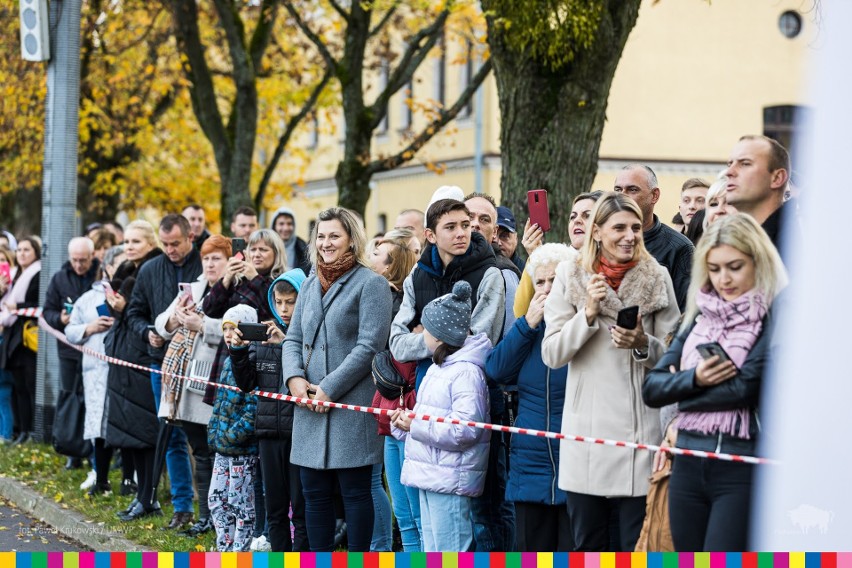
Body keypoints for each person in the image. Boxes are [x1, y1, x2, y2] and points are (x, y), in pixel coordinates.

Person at [540, 192, 681, 551]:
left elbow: (676, 356)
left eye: (636, 227)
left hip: (639, 434)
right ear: (597, 232)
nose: (629, 235)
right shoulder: (570, 276)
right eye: (619, 227)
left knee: (637, 545)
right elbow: (552, 354)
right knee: (589, 546)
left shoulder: (656, 276)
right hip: (587, 435)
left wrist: (642, 342)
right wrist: (586, 315)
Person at [642, 213, 788, 551]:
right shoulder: (698, 315)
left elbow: (746, 389)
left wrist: (684, 392)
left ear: (758, 262)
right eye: (715, 268)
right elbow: (652, 388)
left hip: (741, 464)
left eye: (735, 266)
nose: (724, 278)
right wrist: (696, 378)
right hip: (689, 462)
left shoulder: (773, 316)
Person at [282, 207, 393, 552]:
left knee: (356, 494)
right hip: (308, 406)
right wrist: (294, 379)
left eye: (334, 236)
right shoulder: (310, 282)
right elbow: (292, 338)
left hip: (349, 405)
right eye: (321, 236)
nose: (326, 243)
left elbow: (369, 346)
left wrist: (329, 387)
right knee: (313, 494)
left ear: (351, 240)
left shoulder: (371, 283)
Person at [485, 243, 576, 552]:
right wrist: (527, 325)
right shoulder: (527, 329)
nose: (548, 289)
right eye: (541, 281)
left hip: (575, 463)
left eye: (556, 280)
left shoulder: (583, 328)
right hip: (530, 464)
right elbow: (496, 370)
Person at [390, 280, 491, 552]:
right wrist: (405, 424)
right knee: (433, 549)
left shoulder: (466, 373)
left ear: (439, 334)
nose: (421, 332)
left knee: (451, 550)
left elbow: (465, 430)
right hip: (430, 473)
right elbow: (430, 417)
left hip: (450, 479)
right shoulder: (439, 367)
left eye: (426, 328)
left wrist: (416, 425)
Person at [125, 214, 202, 530]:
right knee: (171, 434)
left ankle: (211, 511)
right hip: (161, 361)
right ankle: (182, 507)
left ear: (190, 238)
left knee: (201, 438)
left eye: (176, 244)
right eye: (165, 244)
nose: (170, 250)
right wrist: (147, 332)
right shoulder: (149, 269)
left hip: (200, 362)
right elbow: (134, 313)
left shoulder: (205, 266)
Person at [154, 234, 232, 537]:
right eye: (207, 258)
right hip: (188, 381)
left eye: (217, 258)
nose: (211, 264)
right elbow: (163, 324)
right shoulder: (196, 288)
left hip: (216, 380)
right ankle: (205, 517)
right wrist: (177, 317)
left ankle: (219, 515)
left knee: (217, 452)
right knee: (199, 451)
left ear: (229, 261)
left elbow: (233, 328)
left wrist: (202, 326)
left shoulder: (234, 289)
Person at [232, 268, 309, 552]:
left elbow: (310, 377)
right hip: (267, 433)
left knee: (301, 508)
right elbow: (246, 383)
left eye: (291, 301)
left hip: (300, 432)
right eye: (279, 302)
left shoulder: (308, 336)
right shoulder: (264, 336)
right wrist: (238, 351)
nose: (284, 309)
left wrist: (286, 344)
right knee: (275, 508)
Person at [105, 220, 164, 521]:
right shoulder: (126, 270)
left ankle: (148, 496)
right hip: (125, 352)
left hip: (143, 355)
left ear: (151, 243)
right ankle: (142, 496)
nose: (128, 247)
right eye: (126, 241)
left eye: (136, 242)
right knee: (134, 431)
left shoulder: (152, 270)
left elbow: (145, 312)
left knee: (146, 431)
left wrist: (122, 308)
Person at [367, 233, 418, 552]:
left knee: (415, 512)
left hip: (409, 409)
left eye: (377, 254)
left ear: (392, 267)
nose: (369, 257)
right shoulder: (380, 296)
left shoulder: (400, 306)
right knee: (403, 512)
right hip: (388, 408)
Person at [65, 245, 126, 495]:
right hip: (95, 370)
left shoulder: (132, 292)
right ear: (107, 267)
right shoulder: (89, 298)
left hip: (124, 368)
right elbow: (70, 330)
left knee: (124, 424)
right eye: (118, 264)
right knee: (99, 425)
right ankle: (101, 478)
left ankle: (128, 480)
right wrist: (89, 328)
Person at [42, 236, 100, 469]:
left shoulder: (99, 276)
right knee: (69, 397)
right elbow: (47, 312)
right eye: (75, 260)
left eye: (83, 260)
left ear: (92, 256)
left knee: (91, 399)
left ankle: (92, 450)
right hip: (68, 351)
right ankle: (72, 450)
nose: (78, 265)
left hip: (95, 350)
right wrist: (60, 319)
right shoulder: (59, 278)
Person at [211, 305, 261, 552]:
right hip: (223, 449)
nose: (230, 335)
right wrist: (215, 432)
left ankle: (240, 551)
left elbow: (253, 408)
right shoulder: (227, 359)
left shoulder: (252, 358)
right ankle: (224, 547)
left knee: (240, 504)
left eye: (236, 329)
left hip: (242, 451)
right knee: (217, 500)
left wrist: (232, 436)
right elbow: (220, 402)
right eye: (226, 329)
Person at [614, 164, 693, 311]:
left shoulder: (679, 248)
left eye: (632, 190)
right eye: (618, 190)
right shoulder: (600, 242)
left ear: (654, 195)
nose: (622, 196)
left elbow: (685, 314)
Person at [514, 191, 603, 318]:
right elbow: (520, 313)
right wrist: (536, 256)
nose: (577, 220)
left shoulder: (612, 264)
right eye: (573, 217)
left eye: (587, 215)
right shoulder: (553, 260)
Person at [0, 237, 41, 445]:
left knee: (29, 385)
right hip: (12, 335)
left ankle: (33, 430)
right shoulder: (15, 275)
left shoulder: (37, 273)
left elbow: (38, 303)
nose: (22, 254)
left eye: (27, 250)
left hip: (27, 337)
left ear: (36, 252)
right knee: (18, 388)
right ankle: (22, 430)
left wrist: (19, 305)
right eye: (20, 250)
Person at [724, 135, 793, 258]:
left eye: (745, 164)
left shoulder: (795, 242)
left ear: (777, 178)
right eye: (729, 164)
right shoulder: (729, 241)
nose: (729, 172)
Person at [0, 247, 18, 442]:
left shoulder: (15, 284)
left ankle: (6, 433)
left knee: (4, 389)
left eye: (3, 260)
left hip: (5, 339)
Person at [270, 207, 311, 274]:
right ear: (274, 226)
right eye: (281, 224)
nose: (286, 228)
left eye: (289, 224)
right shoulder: (266, 246)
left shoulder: (303, 249)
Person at [495, 206, 524, 272]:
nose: (498, 242)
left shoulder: (526, 273)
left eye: (504, 236)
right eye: (493, 235)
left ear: (516, 239)